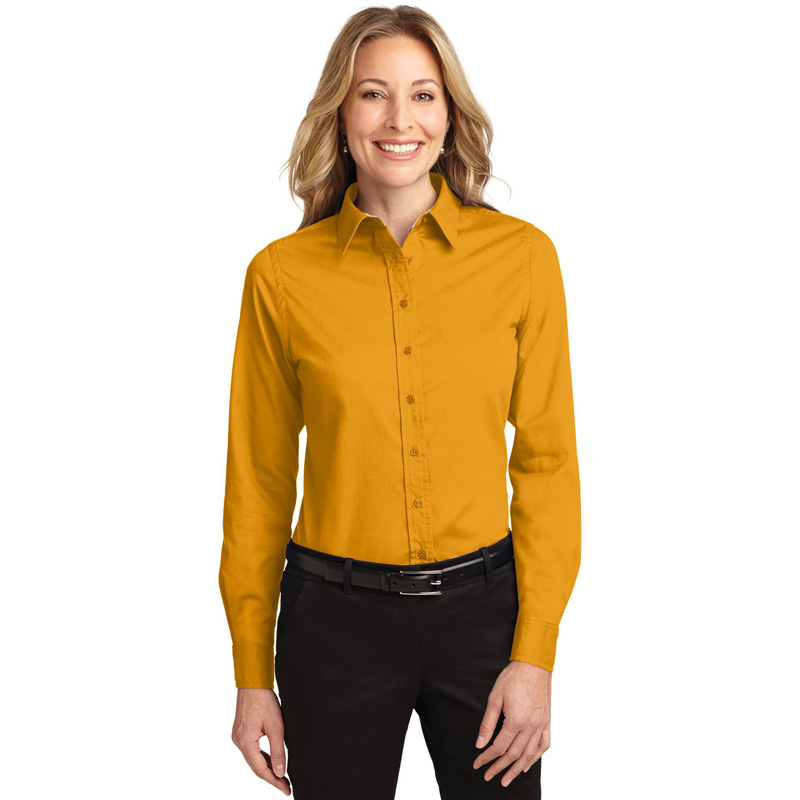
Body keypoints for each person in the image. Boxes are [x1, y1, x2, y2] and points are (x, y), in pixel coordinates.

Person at [219, 6, 580, 798]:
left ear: (449, 117)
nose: (398, 119)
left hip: (486, 622)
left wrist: (535, 654)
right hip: (333, 625)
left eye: (422, 95)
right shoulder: (280, 277)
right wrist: (251, 675)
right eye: (373, 94)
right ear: (341, 116)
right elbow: (259, 482)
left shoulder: (522, 260)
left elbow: (548, 466)